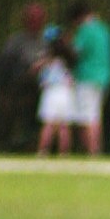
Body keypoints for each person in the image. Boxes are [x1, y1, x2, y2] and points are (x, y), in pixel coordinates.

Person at [65, 0, 110, 157]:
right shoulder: (104, 29)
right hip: (104, 76)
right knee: (96, 114)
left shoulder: (84, 31)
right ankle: (96, 148)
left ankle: (91, 150)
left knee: (87, 115)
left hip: (87, 76)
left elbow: (76, 52)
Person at [31, 14, 73, 158]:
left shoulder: (46, 58)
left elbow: (34, 68)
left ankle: (43, 151)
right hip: (66, 92)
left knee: (48, 123)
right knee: (63, 125)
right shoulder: (68, 57)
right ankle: (63, 153)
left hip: (51, 92)